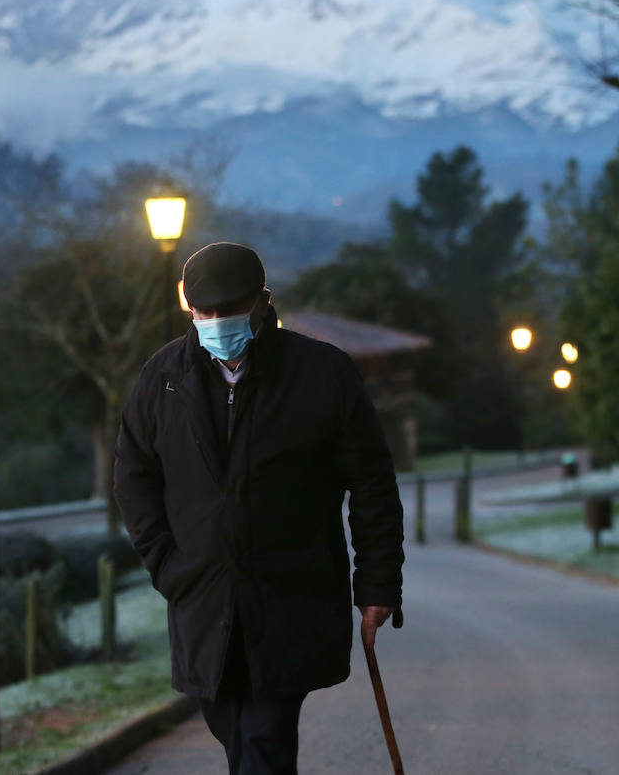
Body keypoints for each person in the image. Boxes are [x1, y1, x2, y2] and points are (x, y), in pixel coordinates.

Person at [114, 241, 405, 775]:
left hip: (290, 597)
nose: (219, 321)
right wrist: (169, 566)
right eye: (207, 312)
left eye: (232, 310)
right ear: (190, 310)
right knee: (239, 735)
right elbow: (134, 478)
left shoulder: (323, 374)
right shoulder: (164, 379)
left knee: (262, 740)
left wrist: (378, 584)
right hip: (203, 603)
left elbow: (372, 486)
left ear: (262, 302)